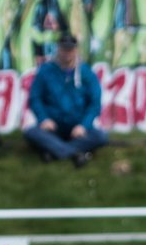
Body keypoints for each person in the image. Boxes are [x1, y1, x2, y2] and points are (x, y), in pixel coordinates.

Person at [23, 32, 107, 168]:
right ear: (58, 49)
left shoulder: (87, 73)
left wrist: (84, 126)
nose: (67, 53)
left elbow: (95, 104)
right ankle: (75, 153)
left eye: (70, 49)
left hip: (78, 128)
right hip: (53, 127)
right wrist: (43, 119)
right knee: (31, 133)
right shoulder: (45, 71)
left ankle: (53, 151)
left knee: (101, 137)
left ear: (76, 50)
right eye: (64, 49)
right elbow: (35, 98)